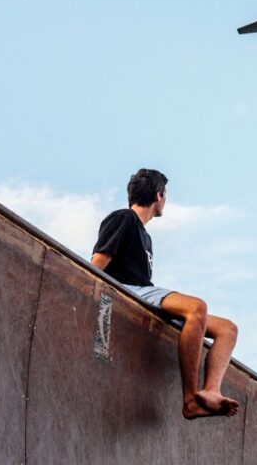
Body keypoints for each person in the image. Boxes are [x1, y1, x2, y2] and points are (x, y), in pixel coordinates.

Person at [91, 168, 239, 420]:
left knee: (227, 329)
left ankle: (211, 390)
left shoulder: (145, 237)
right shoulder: (124, 218)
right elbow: (95, 265)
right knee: (197, 307)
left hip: (147, 294)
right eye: (166, 195)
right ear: (159, 196)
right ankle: (190, 399)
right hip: (130, 290)